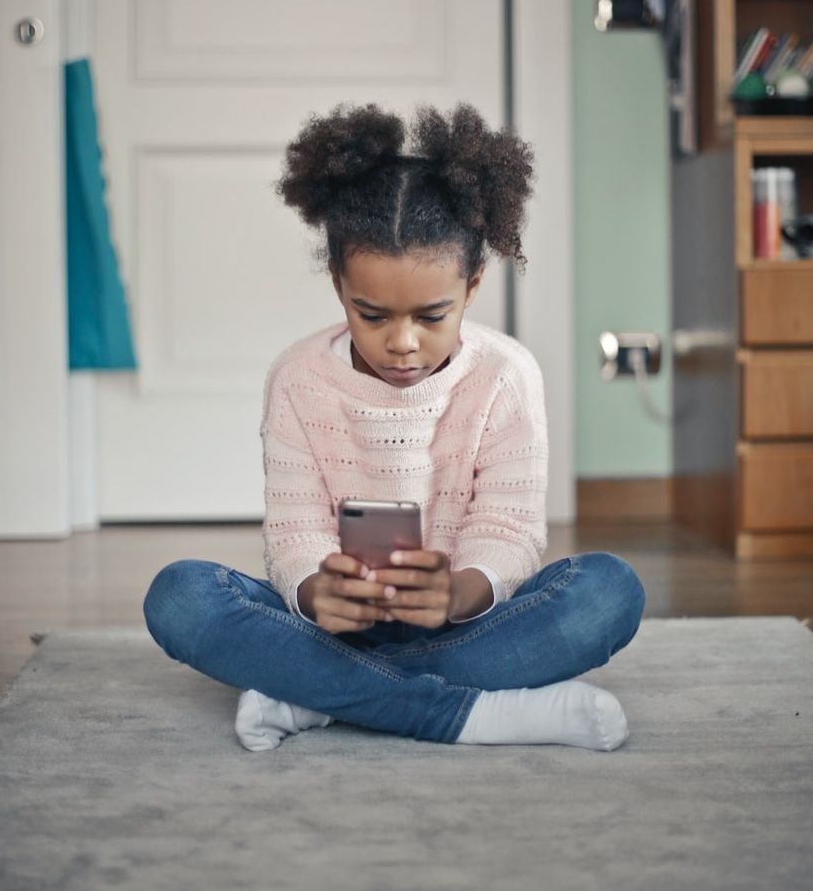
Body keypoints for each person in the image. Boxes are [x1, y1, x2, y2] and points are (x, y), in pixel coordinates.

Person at [143, 101, 645, 752]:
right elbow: (295, 532)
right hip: (332, 627)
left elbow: (510, 532)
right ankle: (470, 714)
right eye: (371, 315)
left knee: (609, 594)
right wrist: (317, 591)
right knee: (179, 597)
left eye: (431, 316)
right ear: (338, 287)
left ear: (471, 285)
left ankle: (315, 697)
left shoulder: (506, 376)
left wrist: (457, 595)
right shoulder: (298, 378)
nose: (402, 343)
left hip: (466, 622)